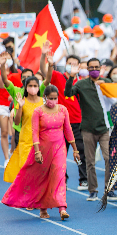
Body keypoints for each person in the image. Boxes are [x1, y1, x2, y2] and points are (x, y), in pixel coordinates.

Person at [2, 85, 80, 219]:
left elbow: (68, 129)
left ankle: (62, 207)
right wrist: (37, 152)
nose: (53, 101)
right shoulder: (38, 111)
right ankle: (43, 208)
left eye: (55, 98)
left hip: (59, 148)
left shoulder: (63, 109)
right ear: (45, 98)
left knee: (59, 176)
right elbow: (35, 132)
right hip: (42, 149)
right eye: (51, 98)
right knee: (43, 178)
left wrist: (75, 149)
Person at [39, 43, 87, 191]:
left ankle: (83, 179)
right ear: (65, 64)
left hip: (77, 122)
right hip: (59, 122)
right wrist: (44, 56)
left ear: (79, 66)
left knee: (80, 151)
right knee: (60, 153)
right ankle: (62, 179)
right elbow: (43, 70)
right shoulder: (58, 77)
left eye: (74, 64)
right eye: (69, 63)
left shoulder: (81, 82)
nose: (71, 66)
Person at [64, 58, 112, 201]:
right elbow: (68, 93)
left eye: (96, 67)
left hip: (104, 128)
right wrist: (72, 76)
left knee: (109, 158)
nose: (94, 70)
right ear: (87, 69)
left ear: (101, 68)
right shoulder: (81, 84)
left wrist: (105, 84)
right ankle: (93, 190)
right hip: (87, 129)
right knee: (89, 161)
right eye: (91, 68)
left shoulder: (107, 83)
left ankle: (109, 189)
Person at [2, 69, 51, 183]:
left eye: (35, 85)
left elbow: (47, 122)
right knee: (25, 172)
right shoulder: (21, 99)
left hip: (40, 142)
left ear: (38, 87)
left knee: (39, 173)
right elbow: (17, 122)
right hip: (25, 141)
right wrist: (19, 107)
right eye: (30, 85)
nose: (33, 88)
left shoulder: (43, 102)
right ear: (25, 86)